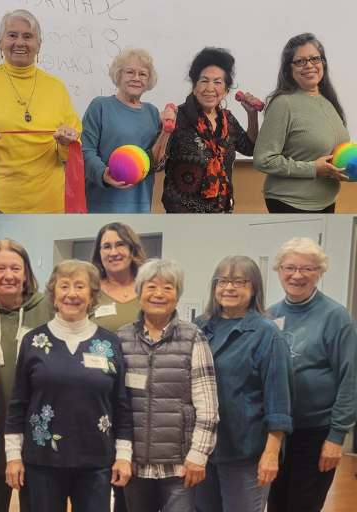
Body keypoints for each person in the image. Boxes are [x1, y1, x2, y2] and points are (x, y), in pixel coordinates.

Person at [5, 259, 133, 512]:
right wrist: (12, 456)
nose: (72, 294)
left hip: (96, 460)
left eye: (80, 286)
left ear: (92, 295)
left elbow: (121, 405)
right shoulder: (33, 341)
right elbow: (18, 402)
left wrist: (124, 455)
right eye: (64, 286)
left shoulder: (109, 344)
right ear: (53, 294)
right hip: (42, 460)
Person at [115, 258, 219, 512]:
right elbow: (115, 404)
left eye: (168, 288)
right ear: (139, 293)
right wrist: (120, 454)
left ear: (177, 295)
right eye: (151, 287)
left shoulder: (193, 336)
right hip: (134, 464)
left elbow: (208, 405)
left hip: (180, 466)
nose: (159, 294)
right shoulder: (121, 337)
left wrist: (198, 456)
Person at [194, 256, 294, 512]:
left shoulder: (266, 333)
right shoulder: (199, 328)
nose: (229, 287)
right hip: (203, 450)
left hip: (245, 454)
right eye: (223, 280)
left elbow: (279, 401)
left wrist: (271, 454)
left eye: (239, 281)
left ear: (254, 289)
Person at [266, 238, 356, 512]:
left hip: (316, 434)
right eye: (289, 267)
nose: (297, 275)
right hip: (277, 434)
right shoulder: (269, 315)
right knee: (277, 505)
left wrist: (337, 437)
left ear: (320, 272)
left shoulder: (335, 317)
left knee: (303, 506)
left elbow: (350, 379)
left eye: (307, 269)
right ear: (278, 270)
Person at [0, 9, 82, 213]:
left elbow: (71, 150)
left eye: (28, 36)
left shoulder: (56, 87)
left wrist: (66, 142)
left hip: (50, 202)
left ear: (39, 44)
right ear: (0, 41)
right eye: (12, 35)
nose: (20, 42)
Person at [0, 238, 52, 511]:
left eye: (16, 268)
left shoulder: (48, 308)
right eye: (0, 268)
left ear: (27, 272)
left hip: (38, 427)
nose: (8, 276)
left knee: (37, 503)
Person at [151, 47, 259, 213]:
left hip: (221, 213)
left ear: (226, 90)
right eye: (204, 80)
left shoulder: (228, 120)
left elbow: (250, 148)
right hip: (182, 217)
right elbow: (155, 165)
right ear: (194, 87)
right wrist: (166, 132)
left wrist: (252, 115)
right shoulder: (176, 117)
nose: (210, 88)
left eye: (217, 82)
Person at [253, 34, 350, 213]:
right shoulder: (284, 103)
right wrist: (313, 168)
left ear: (323, 63)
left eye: (315, 58)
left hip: (327, 200)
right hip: (290, 202)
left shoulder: (328, 101)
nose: (309, 65)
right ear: (289, 68)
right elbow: (263, 160)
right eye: (300, 61)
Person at [88, 222, 146, 512]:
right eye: (106, 246)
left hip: (145, 395)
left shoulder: (149, 286)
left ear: (132, 247)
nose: (113, 252)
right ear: (99, 254)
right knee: (106, 478)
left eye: (119, 244)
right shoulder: (91, 291)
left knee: (138, 487)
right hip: (103, 398)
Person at [81, 48, 165, 213]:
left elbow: (155, 162)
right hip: (101, 202)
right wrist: (103, 174)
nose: (136, 78)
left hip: (140, 203)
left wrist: (167, 132)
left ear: (149, 80)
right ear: (118, 75)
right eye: (130, 72)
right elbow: (85, 150)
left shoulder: (153, 112)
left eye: (142, 74)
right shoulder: (100, 106)